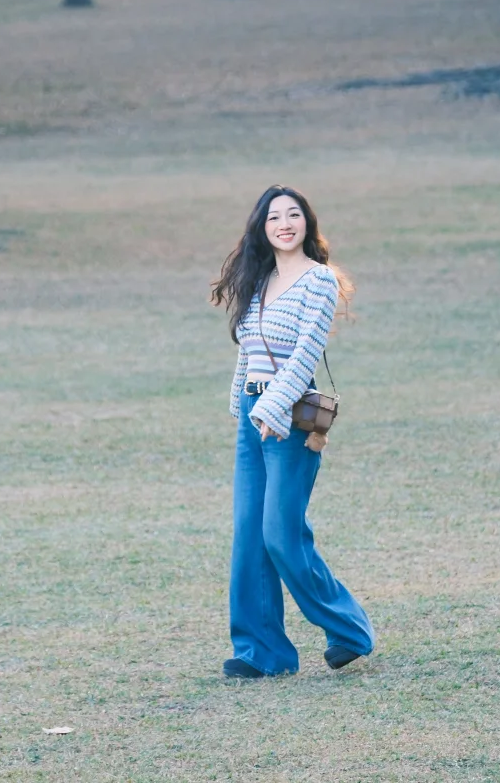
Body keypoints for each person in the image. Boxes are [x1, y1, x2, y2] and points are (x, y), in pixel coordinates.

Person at [211, 184, 375, 678]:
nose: (284, 223)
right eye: (274, 217)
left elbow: (306, 351)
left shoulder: (318, 281)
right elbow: (249, 347)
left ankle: (349, 630)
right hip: (252, 413)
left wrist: (272, 408)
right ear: (262, 228)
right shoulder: (260, 282)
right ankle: (262, 655)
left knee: (281, 534)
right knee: (250, 537)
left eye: (293, 215)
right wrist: (240, 400)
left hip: (291, 417)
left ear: (307, 223)